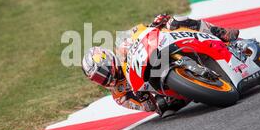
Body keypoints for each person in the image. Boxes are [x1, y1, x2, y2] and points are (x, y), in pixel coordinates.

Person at [81, 14, 239, 117]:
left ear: (108, 58)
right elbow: (149, 107)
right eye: (98, 78)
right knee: (166, 110)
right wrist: (142, 97)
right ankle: (200, 87)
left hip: (157, 52)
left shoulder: (122, 46)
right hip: (165, 91)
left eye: (102, 71)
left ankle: (220, 33)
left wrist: (155, 23)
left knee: (177, 20)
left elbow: (141, 31)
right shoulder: (120, 96)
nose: (105, 77)